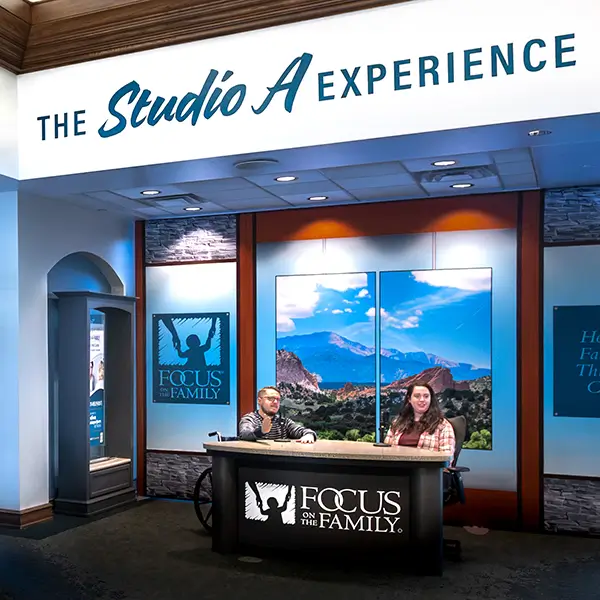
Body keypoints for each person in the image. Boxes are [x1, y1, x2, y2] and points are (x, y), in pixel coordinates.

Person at [384, 382, 455, 455]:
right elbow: (386, 451)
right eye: (417, 396)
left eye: (426, 396)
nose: (422, 400)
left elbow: (447, 456)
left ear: (431, 399)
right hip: (397, 465)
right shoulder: (397, 423)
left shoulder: (442, 425)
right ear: (409, 399)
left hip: (427, 465)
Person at [238, 386, 317, 443]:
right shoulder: (250, 418)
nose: (275, 402)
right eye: (270, 398)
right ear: (259, 401)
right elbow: (244, 435)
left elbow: (303, 431)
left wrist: (309, 435)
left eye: (278, 399)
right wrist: (261, 431)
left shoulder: (283, 422)